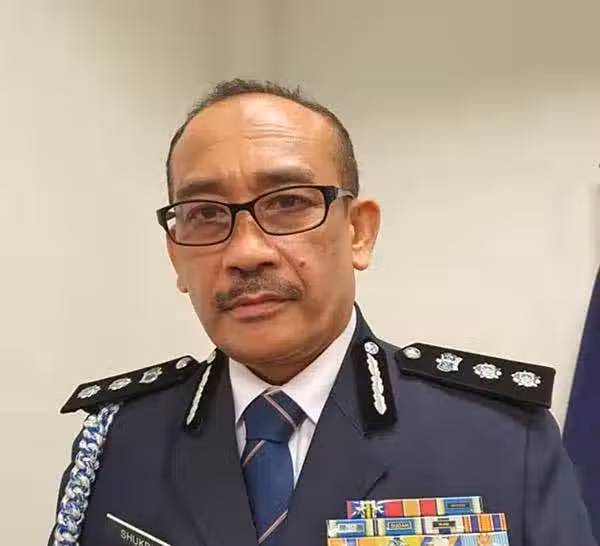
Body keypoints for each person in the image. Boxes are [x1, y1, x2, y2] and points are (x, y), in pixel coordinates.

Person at [49, 79, 596, 546]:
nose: (246, 252)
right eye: (205, 214)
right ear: (176, 256)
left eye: (288, 202)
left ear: (358, 232)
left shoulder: (499, 440)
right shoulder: (121, 440)